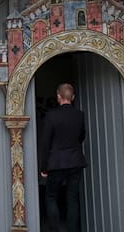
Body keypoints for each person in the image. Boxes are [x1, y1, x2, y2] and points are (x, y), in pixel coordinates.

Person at [39, 83, 86, 232]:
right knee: (72, 198)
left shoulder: (51, 115)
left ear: (58, 96)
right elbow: (82, 136)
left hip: (56, 163)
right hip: (75, 161)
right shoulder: (79, 114)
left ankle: (55, 229)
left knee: (51, 197)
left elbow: (45, 143)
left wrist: (43, 167)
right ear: (72, 97)